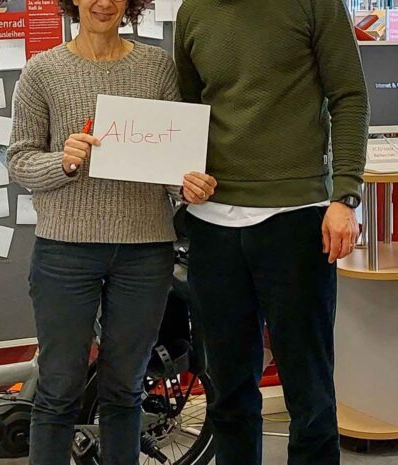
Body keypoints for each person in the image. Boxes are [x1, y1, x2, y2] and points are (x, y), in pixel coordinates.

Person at [6, 0, 218, 463]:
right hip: (65, 251)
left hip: (145, 251)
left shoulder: (156, 66)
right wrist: (62, 161)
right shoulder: (43, 71)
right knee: (59, 389)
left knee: (125, 388)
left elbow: (168, 162)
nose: (103, 2)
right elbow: (19, 159)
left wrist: (188, 184)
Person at [173, 1, 368, 464]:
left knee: (309, 390)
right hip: (212, 226)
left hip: (296, 219)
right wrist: (182, 173)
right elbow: (187, 108)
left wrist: (345, 196)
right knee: (228, 391)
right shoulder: (193, 11)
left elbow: (349, 97)